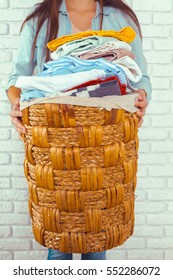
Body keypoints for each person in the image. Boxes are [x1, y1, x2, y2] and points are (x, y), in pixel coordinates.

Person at [6, 0, 151, 260]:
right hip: (54, 146)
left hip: (104, 146)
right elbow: (16, 79)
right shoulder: (39, 21)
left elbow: (141, 79)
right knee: (59, 240)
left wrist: (141, 96)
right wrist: (17, 103)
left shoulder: (120, 19)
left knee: (97, 238)